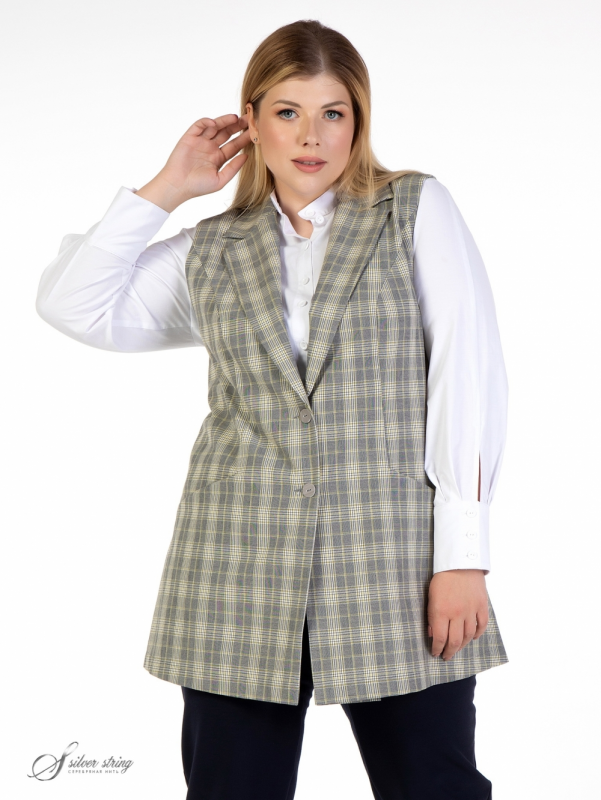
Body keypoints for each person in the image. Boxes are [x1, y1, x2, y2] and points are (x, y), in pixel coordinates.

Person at [35, 18, 508, 800]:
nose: (310, 135)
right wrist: (165, 190)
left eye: (333, 113)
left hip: (392, 559)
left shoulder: (414, 210)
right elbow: (71, 305)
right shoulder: (212, 248)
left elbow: (469, 374)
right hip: (235, 566)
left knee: (434, 785)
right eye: (287, 112)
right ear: (250, 120)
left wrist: (462, 554)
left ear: (358, 122)